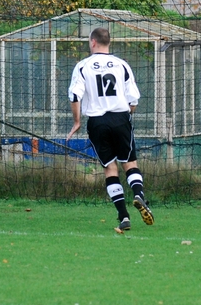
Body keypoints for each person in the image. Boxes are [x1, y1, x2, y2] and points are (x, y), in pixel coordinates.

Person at [66, 27, 154, 231]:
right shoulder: (122, 65)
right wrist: (126, 115)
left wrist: (77, 122)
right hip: (121, 117)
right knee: (130, 164)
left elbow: (74, 96)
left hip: (97, 122)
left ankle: (123, 216)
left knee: (110, 168)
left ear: (93, 42)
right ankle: (139, 195)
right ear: (109, 42)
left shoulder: (83, 66)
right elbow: (134, 99)